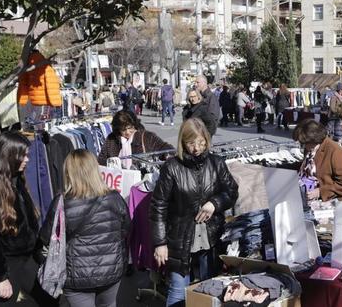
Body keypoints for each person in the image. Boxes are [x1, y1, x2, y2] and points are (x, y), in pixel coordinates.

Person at [150, 119, 238, 307]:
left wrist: (214, 203)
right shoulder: (171, 167)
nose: (196, 148)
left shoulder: (217, 163)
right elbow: (158, 206)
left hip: (211, 238)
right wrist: (160, 243)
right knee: (178, 292)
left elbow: (232, 192)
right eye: (191, 143)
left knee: (209, 291)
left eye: (201, 142)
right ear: (183, 142)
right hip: (179, 239)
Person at [0, 132, 58, 306]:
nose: (27, 160)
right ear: (9, 154)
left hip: (27, 257)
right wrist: (0, 277)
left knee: (51, 299)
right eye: (23, 155)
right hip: (7, 263)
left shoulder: (14, 177)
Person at [39, 150, 130, 307]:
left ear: (69, 173)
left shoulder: (61, 203)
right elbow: (126, 229)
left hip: (76, 276)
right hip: (111, 270)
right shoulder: (115, 198)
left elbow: (46, 238)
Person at [293, 119, 342, 203]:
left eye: (304, 143)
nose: (303, 146)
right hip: (315, 201)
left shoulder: (335, 152)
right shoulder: (310, 148)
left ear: (313, 139)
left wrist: (320, 191)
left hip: (336, 203)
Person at [97, 110, 174, 166]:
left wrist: (167, 156)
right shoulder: (112, 139)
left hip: (142, 182)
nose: (127, 132)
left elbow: (166, 148)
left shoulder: (147, 137)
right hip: (119, 181)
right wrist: (110, 163)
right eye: (123, 129)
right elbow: (101, 159)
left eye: (130, 128)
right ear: (118, 129)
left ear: (135, 125)